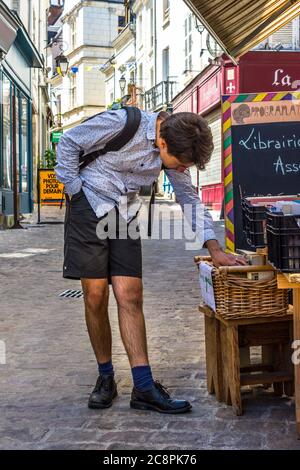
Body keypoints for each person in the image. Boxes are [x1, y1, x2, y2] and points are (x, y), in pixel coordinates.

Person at [55, 108, 246, 414]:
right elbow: (68, 143)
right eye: (181, 164)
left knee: (130, 293)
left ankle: (143, 387)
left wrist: (214, 247)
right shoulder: (122, 123)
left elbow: (188, 197)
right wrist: (75, 192)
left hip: (124, 213)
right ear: (162, 142)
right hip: (89, 203)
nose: (182, 170)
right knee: (95, 295)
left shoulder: (174, 146)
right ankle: (106, 377)